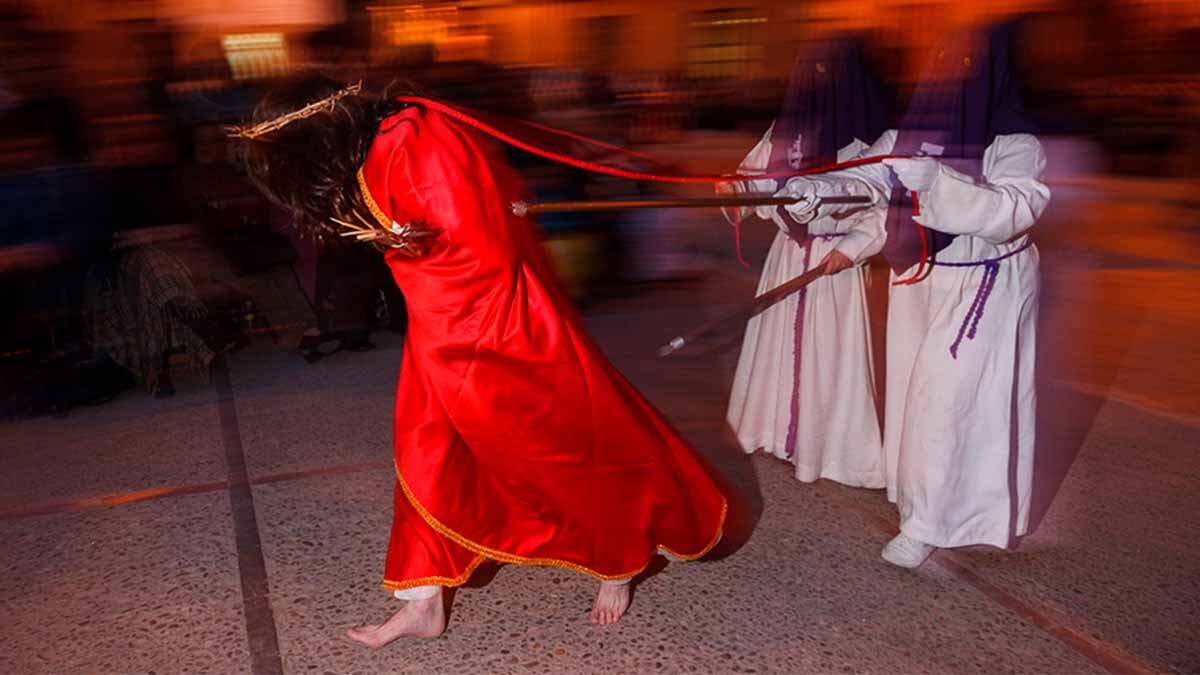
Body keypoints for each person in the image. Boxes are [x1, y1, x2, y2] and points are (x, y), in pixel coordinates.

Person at [232, 77, 726, 645]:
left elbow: (483, 252)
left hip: (496, 326)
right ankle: (423, 602)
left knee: (559, 446)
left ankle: (619, 558)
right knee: (426, 453)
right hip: (440, 325)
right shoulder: (382, 146)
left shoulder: (416, 141)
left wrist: (414, 261)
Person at [777, 23, 1050, 568]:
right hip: (921, 277)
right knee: (915, 398)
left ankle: (928, 522)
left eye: (967, 63)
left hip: (983, 285)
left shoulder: (1017, 143)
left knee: (945, 400)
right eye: (945, 60)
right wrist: (815, 191)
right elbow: (867, 181)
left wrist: (940, 184)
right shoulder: (908, 135)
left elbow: (1017, 209)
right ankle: (927, 502)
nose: (952, 73)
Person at [721, 37, 888, 488]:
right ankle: (774, 432)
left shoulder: (869, 137)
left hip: (833, 262)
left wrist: (853, 247)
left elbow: (883, 208)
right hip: (788, 255)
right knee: (778, 348)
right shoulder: (785, 129)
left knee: (828, 358)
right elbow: (757, 180)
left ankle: (827, 450)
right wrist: (735, 191)